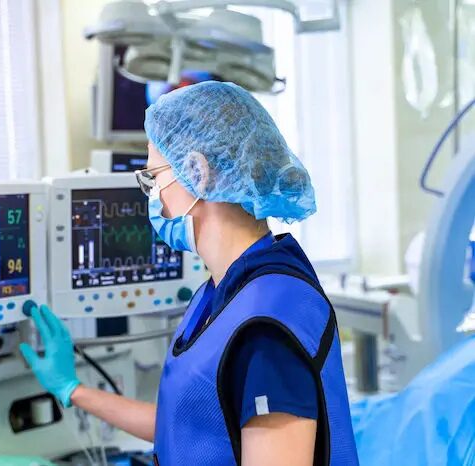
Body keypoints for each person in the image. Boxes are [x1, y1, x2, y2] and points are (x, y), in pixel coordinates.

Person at [19, 82, 359, 466]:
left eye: (154, 178)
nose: (153, 197)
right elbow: (190, 429)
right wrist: (73, 389)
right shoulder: (223, 292)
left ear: (197, 172)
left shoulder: (265, 324)